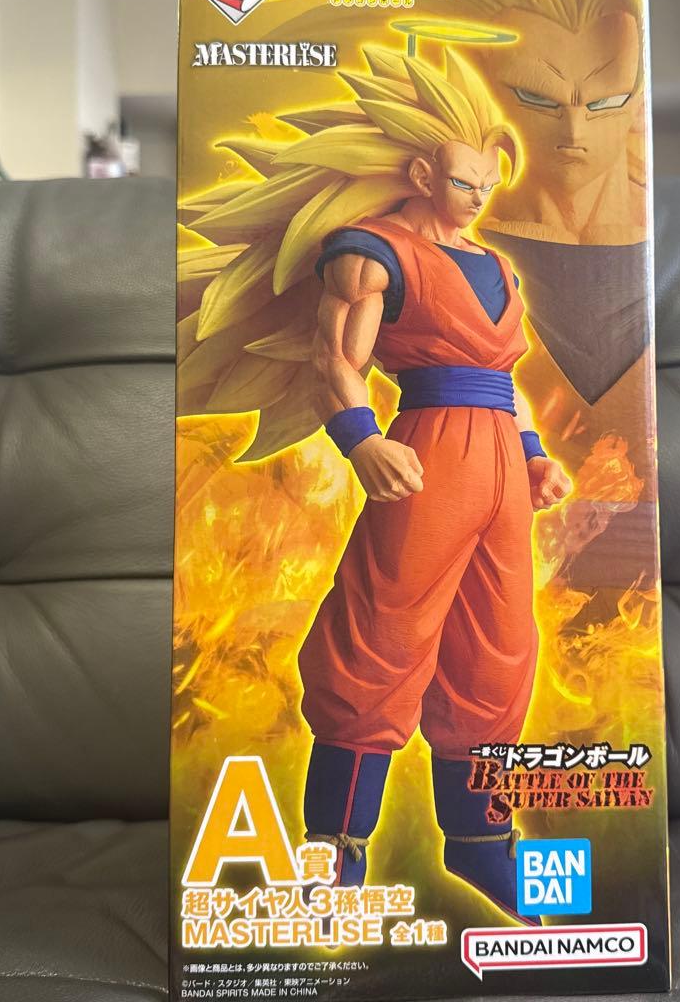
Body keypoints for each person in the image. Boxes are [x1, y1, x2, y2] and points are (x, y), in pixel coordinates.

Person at [178, 49, 571, 924]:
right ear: (424, 175)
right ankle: (336, 851)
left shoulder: (497, 265)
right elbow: (335, 361)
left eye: (488, 185)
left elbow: (505, 377)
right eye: (464, 183)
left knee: (499, 650)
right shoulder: (372, 253)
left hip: (500, 465)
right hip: (428, 455)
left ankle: (481, 842)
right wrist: (361, 442)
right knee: (381, 636)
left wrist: (535, 453)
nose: (478, 198)